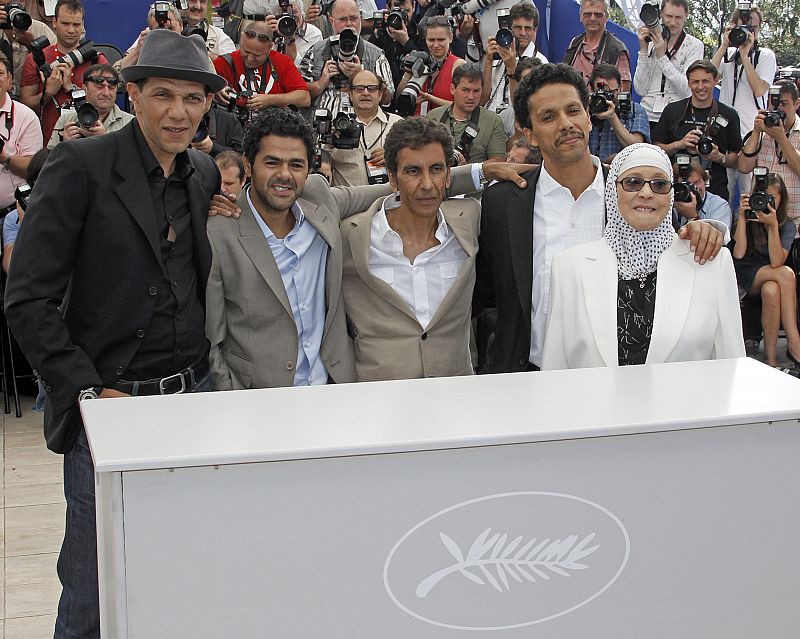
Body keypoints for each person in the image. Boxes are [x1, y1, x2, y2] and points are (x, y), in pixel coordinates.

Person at [4, 30, 226, 639]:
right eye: (163, 95)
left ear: (208, 104)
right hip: (109, 404)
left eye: (192, 98)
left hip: (193, 398)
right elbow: (27, 298)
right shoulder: (80, 166)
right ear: (133, 95)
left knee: (182, 568)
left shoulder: (203, 172)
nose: (179, 112)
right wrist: (86, 390)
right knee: (93, 585)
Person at [205, 107, 514, 389]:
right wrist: (228, 392)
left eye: (296, 164)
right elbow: (211, 335)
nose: (284, 174)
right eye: (272, 162)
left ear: (308, 169)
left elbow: (402, 187)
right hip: (256, 398)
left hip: (332, 388)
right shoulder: (219, 228)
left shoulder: (318, 200)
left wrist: (483, 171)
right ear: (248, 165)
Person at [475, 63, 725, 374]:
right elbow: (488, 294)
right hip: (525, 375)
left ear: (588, 117)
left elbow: (668, 259)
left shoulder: (633, 193)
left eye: (573, 110)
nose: (566, 124)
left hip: (616, 376)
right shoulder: (502, 203)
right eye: (549, 117)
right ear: (529, 134)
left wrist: (701, 230)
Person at [541, 143, 744, 369]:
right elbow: (555, 370)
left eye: (660, 184)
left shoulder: (712, 263)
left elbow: (731, 367)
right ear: (613, 191)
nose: (646, 193)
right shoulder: (568, 268)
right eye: (633, 182)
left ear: (671, 194)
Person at [341, 116, 479, 381]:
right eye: (413, 171)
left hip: (454, 390)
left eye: (436, 169)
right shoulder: (351, 235)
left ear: (448, 175)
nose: (427, 184)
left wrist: (488, 172)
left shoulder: (469, 221)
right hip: (376, 392)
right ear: (392, 179)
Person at [732, 173, 800, 367]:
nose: (766, 201)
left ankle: (770, 359)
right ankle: (794, 342)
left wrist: (772, 226)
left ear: (781, 199)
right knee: (786, 273)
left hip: (772, 273)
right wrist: (742, 217)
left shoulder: (787, 225)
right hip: (747, 272)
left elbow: (777, 261)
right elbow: (738, 253)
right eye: (763, 196)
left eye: (772, 198)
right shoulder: (746, 216)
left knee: (772, 290)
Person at [18, 0, 109, 145]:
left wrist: (71, 88)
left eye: (76, 24)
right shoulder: (36, 59)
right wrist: (48, 93)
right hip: (48, 144)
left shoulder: (97, 60)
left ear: (83, 25)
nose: (71, 30)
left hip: (90, 140)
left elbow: (107, 101)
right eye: (65, 24)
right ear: (54, 22)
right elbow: (25, 105)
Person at [710, 4, 776, 202]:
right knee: (724, 194)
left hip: (750, 133)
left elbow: (760, 89)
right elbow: (707, 77)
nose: (748, 33)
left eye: (753, 28)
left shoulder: (765, 55)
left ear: (759, 29)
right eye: (744, 28)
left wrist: (746, 57)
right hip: (725, 131)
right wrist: (724, 45)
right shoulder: (728, 55)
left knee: (749, 193)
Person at [652, 59, 741, 201]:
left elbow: (737, 159)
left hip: (714, 191)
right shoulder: (672, 110)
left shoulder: (729, 115)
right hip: (676, 189)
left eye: (705, 81)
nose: (700, 87)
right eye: (695, 82)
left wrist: (719, 157)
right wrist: (679, 144)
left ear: (716, 81)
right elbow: (656, 150)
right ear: (688, 83)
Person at [299, 0, 394, 120]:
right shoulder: (317, 51)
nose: (349, 24)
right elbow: (299, 93)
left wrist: (361, 76)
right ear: (331, 20)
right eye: (343, 19)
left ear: (360, 18)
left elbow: (387, 98)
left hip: (362, 125)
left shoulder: (376, 55)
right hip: (319, 124)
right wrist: (320, 83)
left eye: (353, 18)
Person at [213, 19, 311, 126]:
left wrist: (270, 100)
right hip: (233, 128)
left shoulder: (281, 62)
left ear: (270, 47)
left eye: (257, 55)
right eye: (246, 51)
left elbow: (305, 98)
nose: (250, 58)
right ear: (241, 40)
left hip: (273, 129)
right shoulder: (225, 62)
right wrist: (216, 90)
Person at [738, 80, 800, 232]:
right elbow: (744, 167)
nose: (778, 110)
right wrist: (756, 131)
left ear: (797, 104)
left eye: (784, 104)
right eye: (774, 104)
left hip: (794, 220)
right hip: (760, 216)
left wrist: (781, 138)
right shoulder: (762, 131)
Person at [632, 0, 704, 125]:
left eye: (678, 17)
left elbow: (687, 90)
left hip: (676, 116)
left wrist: (662, 57)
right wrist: (643, 50)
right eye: (669, 16)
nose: (673, 22)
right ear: (660, 14)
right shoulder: (650, 42)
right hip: (646, 114)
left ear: (686, 15)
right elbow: (640, 90)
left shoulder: (694, 46)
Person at [328, 70, 401, 186]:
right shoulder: (335, 127)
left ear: (380, 94)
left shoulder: (398, 124)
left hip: (390, 195)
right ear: (350, 94)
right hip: (348, 197)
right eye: (359, 88)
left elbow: (417, 159)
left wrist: (395, 156)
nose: (365, 93)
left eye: (371, 88)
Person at [427, 63, 506, 166]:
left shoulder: (493, 121)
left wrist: (468, 169)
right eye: (465, 90)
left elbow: (498, 161)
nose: (471, 97)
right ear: (453, 89)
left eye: (476, 91)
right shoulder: (433, 117)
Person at [482, 1, 547, 115]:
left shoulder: (541, 63)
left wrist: (511, 68)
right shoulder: (500, 53)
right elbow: (483, 98)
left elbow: (525, 107)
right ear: (510, 28)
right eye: (517, 27)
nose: (522, 33)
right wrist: (488, 61)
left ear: (535, 30)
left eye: (527, 28)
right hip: (490, 117)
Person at [48, 63, 134, 148]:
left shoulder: (131, 123)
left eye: (111, 88)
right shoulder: (66, 120)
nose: (106, 93)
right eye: (100, 87)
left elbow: (133, 156)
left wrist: (105, 140)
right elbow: (48, 156)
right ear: (84, 89)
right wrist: (64, 145)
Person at [0, 53, 42, 217]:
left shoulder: (26, 116)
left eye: (0, 73)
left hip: (12, 213)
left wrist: (5, 158)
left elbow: (34, 169)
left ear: (9, 79)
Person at [397, 15, 464, 115]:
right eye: (431, 40)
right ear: (425, 39)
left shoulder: (458, 65)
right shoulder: (419, 61)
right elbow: (399, 98)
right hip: (417, 122)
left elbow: (462, 107)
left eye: (441, 40)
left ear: (450, 38)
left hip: (444, 122)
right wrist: (408, 72)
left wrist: (430, 98)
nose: (436, 45)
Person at [587, 63, 650, 163]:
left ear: (620, 88)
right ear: (592, 89)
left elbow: (638, 149)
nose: (606, 98)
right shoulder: (585, 109)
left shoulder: (635, 110)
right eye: (601, 93)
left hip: (621, 168)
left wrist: (613, 118)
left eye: (611, 93)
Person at [563, 0, 631, 91]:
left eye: (598, 14)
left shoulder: (617, 49)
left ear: (606, 17)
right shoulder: (575, 43)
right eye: (587, 14)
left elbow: (624, 88)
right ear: (580, 16)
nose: (592, 18)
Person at [0, 3, 55, 93]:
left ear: (23, 2)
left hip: (33, 95)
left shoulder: (41, 29)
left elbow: (53, 68)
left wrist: (33, 46)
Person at [671, 158, 732, 230]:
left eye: (697, 182)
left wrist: (693, 216)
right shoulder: (669, 203)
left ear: (705, 181)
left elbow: (717, 236)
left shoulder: (719, 206)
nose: (694, 188)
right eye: (687, 184)